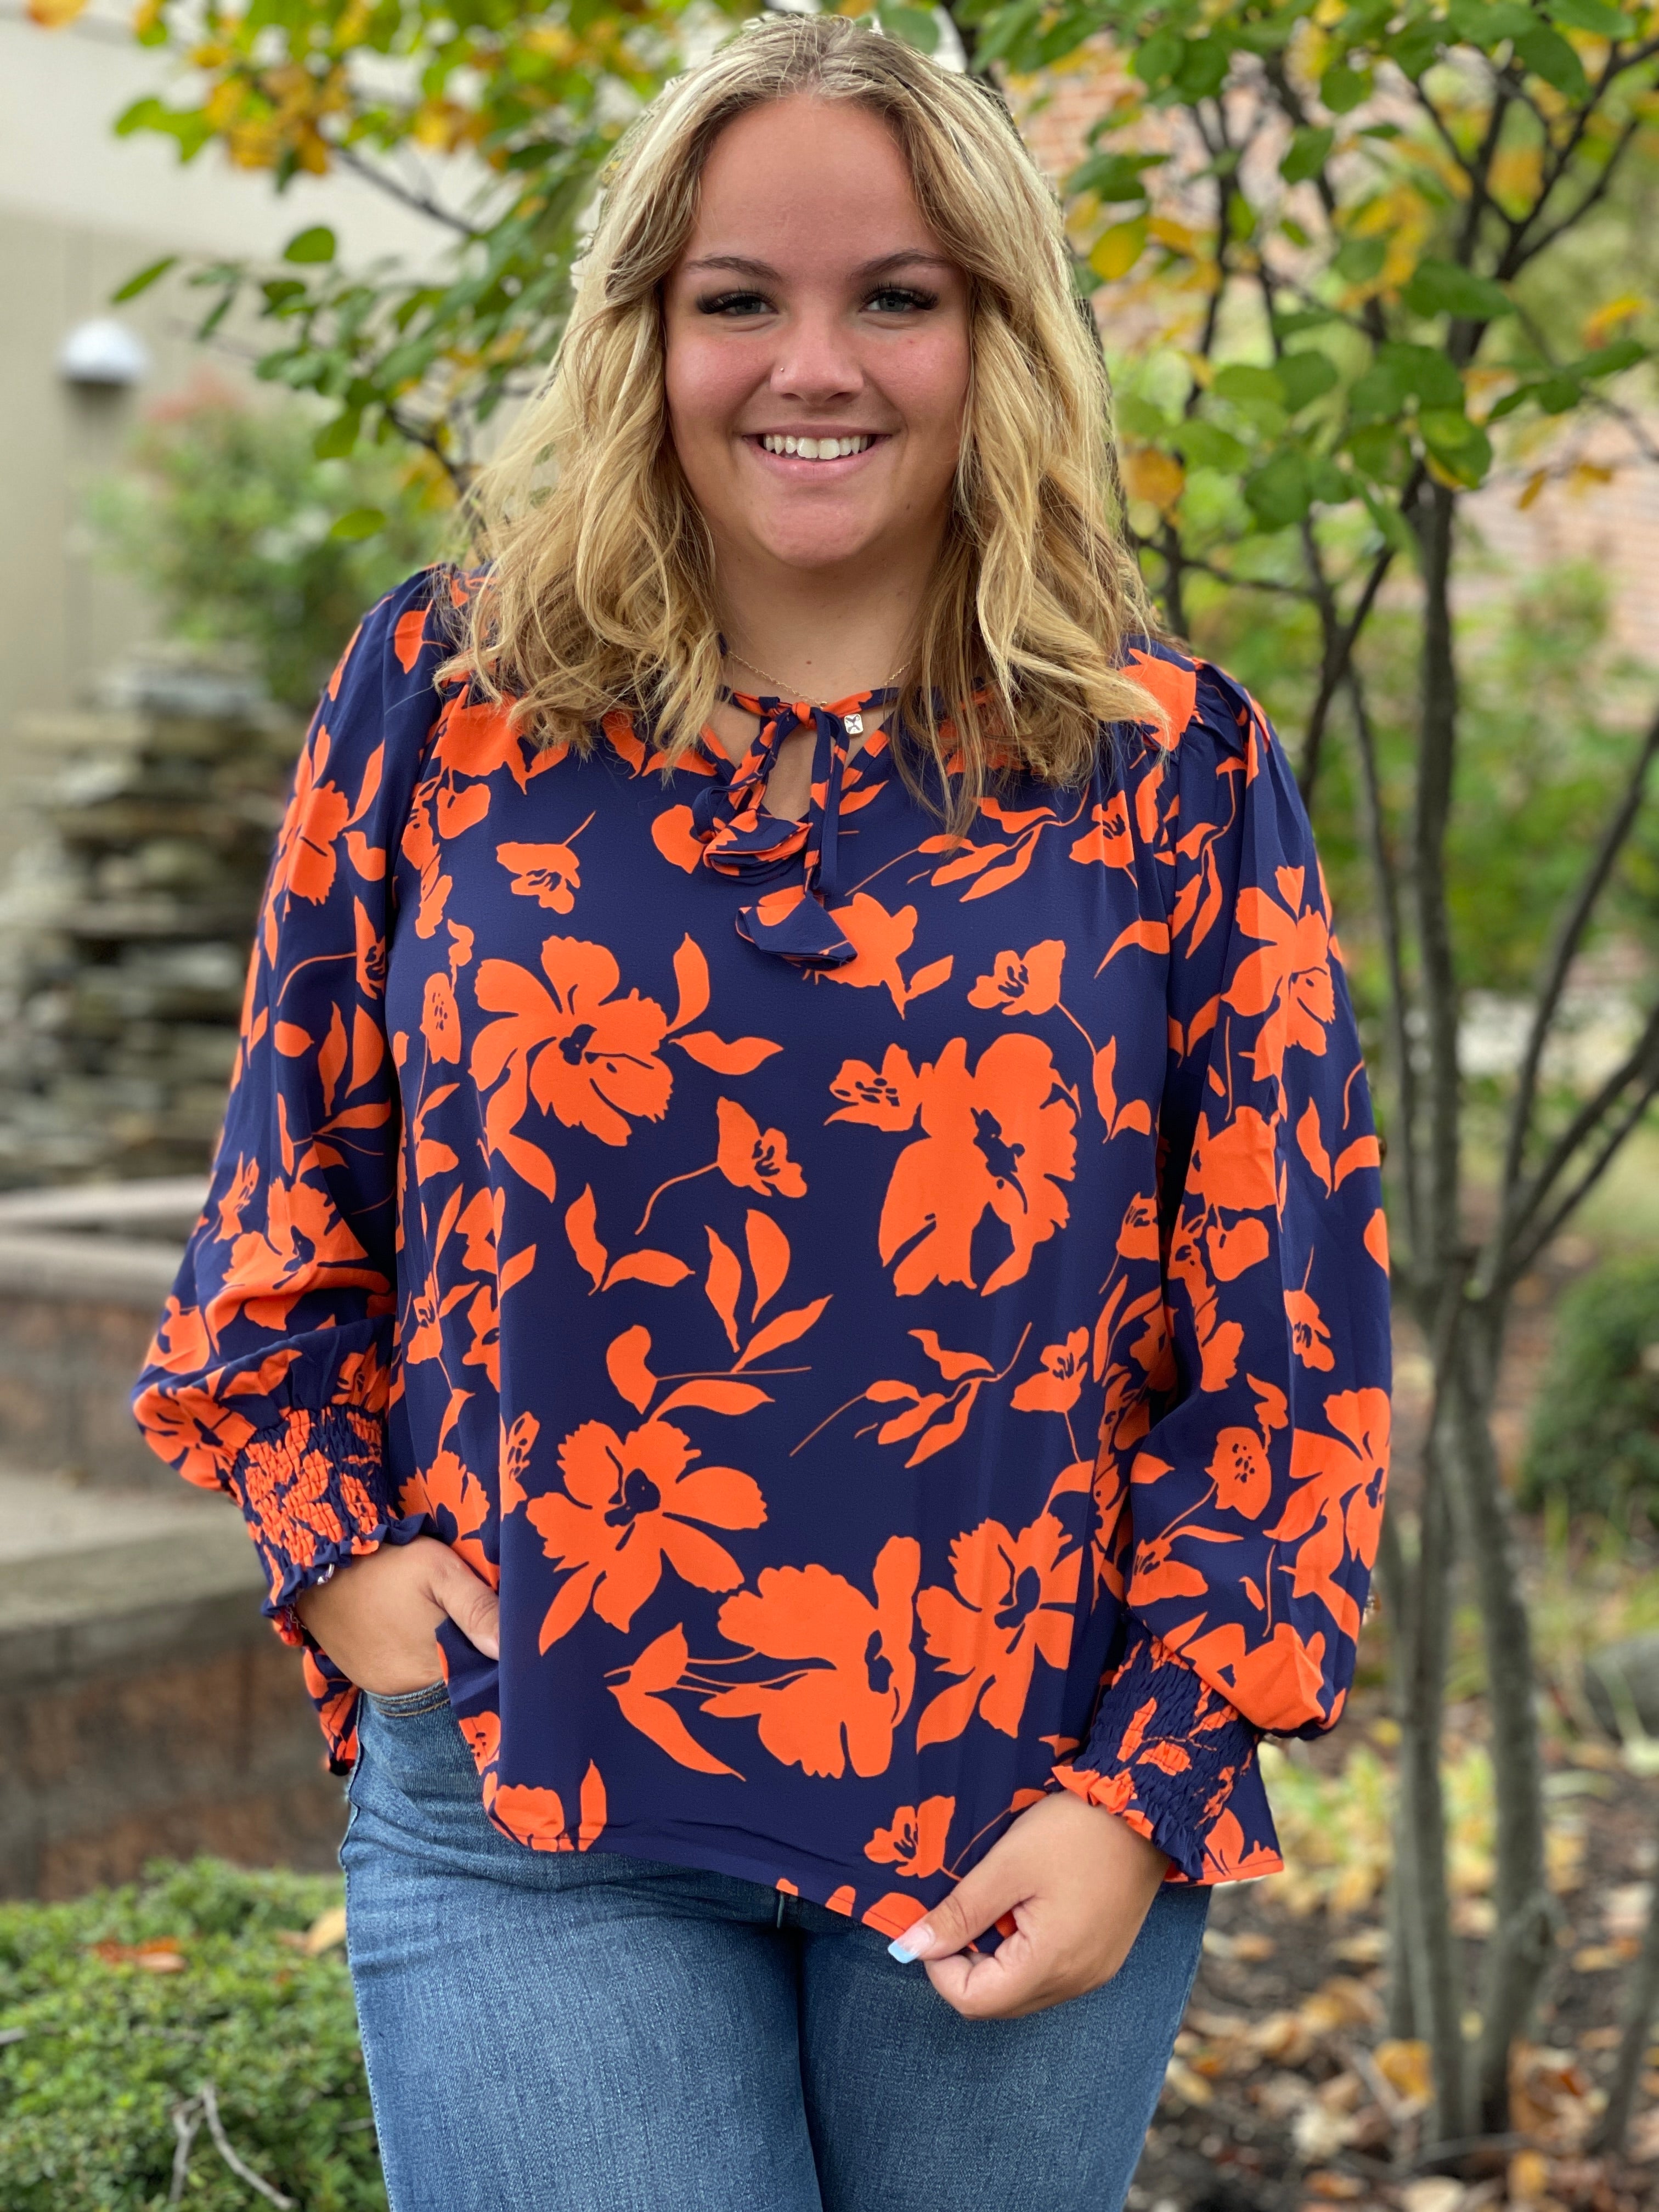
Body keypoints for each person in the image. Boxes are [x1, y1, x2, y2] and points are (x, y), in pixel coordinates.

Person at [135, 16, 1391, 2211]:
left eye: (896, 295)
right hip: (537, 1802)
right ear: (647, 330)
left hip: (1020, 1823)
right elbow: (286, 1203)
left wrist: (1148, 1783)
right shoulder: (442, 704)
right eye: (742, 298)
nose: (817, 363)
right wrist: (334, 1553)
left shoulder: (1174, 771)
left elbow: (1289, 1351)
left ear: (996, 332)